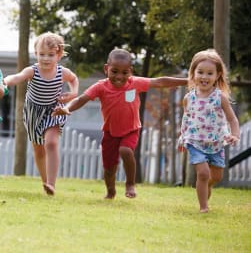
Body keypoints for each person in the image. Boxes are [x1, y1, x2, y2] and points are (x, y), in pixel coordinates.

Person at [52, 48, 187, 199]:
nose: (119, 77)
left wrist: (188, 81)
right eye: (114, 71)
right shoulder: (100, 87)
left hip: (131, 129)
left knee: (125, 151)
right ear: (106, 69)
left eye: (124, 73)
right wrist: (67, 108)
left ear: (130, 71)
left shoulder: (135, 83)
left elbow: (160, 81)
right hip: (110, 132)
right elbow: (81, 99)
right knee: (109, 168)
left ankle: (130, 184)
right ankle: (110, 191)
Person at [4, 32, 79, 196]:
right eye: (41, 54)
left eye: (51, 55)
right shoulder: (33, 71)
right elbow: (17, 77)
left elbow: (73, 79)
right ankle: (45, 182)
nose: (46, 58)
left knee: (51, 143)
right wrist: (5, 82)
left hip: (53, 110)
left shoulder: (62, 72)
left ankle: (51, 184)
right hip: (33, 112)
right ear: (36, 54)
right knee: (39, 150)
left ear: (58, 55)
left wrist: (73, 93)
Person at [178, 49, 240, 213]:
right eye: (200, 72)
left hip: (216, 142)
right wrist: (182, 139)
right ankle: (203, 208)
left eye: (209, 73)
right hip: (195, 141)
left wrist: (235, 134)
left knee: (216, 176)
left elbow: (232, 119)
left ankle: (204, 186)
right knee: (203, 173)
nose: (204, 77)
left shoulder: (220, 97)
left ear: (218, 75)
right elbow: (186, 119)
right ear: (193, 73)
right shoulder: (188, 98)